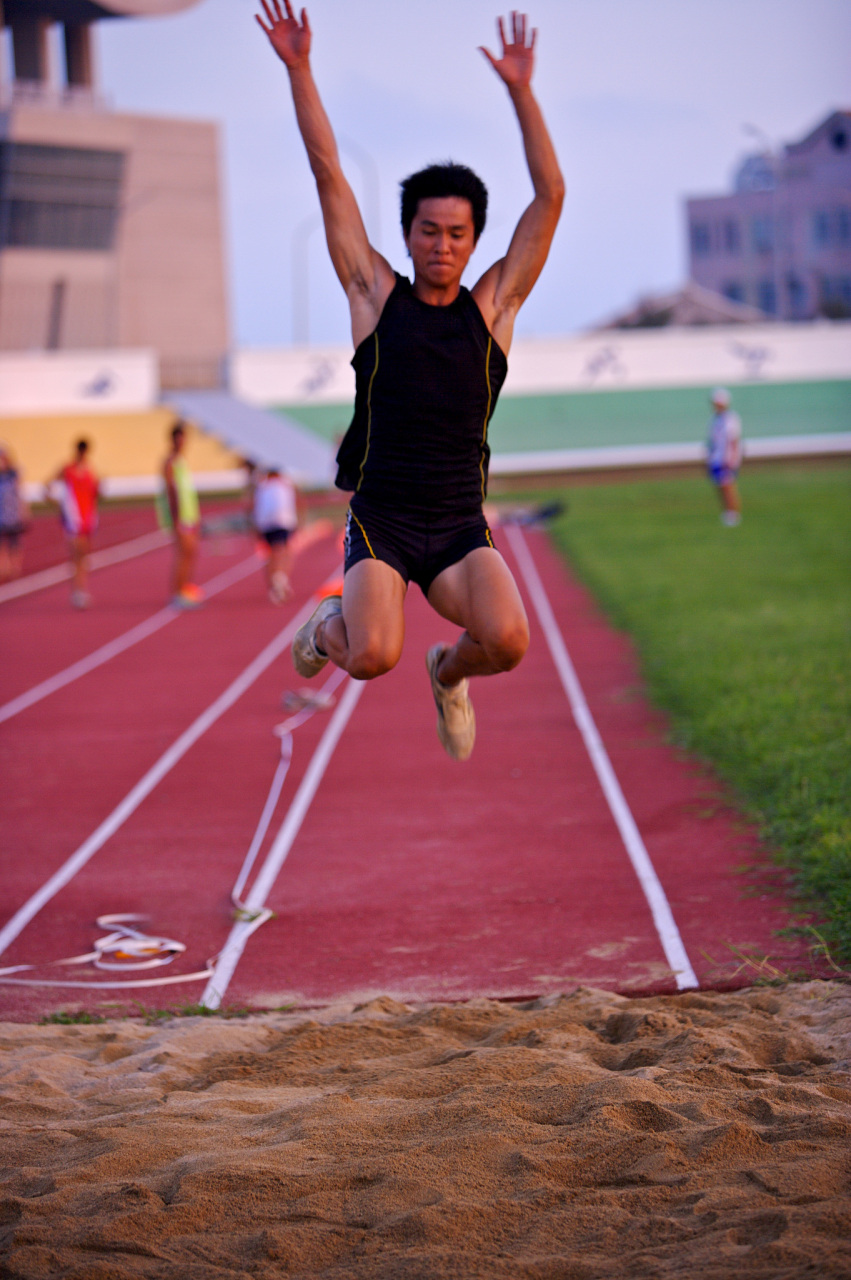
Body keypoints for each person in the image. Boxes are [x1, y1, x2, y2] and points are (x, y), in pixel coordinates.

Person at [256, 3, 563, 760]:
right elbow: (328, 173)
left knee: (508, 639)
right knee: (368, 656)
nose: (442, 246)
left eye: (457, 234)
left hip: (458, 524)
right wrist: (300, 71)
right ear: (407, 233)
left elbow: (550, 197)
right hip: (384, 521)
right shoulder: (373, 295)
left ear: (473, 241)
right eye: (428, 230)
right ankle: (323, 628)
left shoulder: (492, 309)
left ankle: (446, 672)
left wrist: (522, 92)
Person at [159, 422, 203, 607]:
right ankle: (177, 594)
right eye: (178, 438)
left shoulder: (182, 461)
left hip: (189, 514)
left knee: (190, 553)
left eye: (183, 438)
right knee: (182, 554)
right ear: (172, 440)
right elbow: (171, 491)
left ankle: (184, 590)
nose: (181, 442)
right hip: (180, 516)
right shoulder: (170, 462)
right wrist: (175, 517)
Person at [52, 438, 99, 608]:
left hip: (87, 518)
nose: (83, 454)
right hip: (73, 519)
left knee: (84, 557)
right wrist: (59, 505)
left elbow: (94, 493)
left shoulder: (89, 470)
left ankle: (82, 590)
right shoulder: (67, 469)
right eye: (81, 450)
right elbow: (48, 486)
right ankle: (77, 592)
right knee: (76, 556)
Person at [253, 466, 299, 602]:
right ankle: (279, 579)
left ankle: (275, 582)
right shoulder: (286, 484)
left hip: (266, 523)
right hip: (282, 521)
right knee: (282, 550)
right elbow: (295, 502)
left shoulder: (262, 485)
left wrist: (255, 525)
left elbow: (255, 506)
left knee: (273, 552)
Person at [706, 388, 743, 526]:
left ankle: (733, 513)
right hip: (716, 457)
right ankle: (727, 512)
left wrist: (732, 458)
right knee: (719, 486)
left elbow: (733, 440)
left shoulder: (730, 419)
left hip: (726, 458)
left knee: (728, 486)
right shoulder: (715, 419)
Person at [0, 443, 29, 583]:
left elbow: (19, 493)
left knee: (14, 542)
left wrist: (24, 510)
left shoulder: (13, 474)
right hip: (0, 514)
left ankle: (15, 567)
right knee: (1, 543)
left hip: (12, 514)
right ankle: (3, 568)